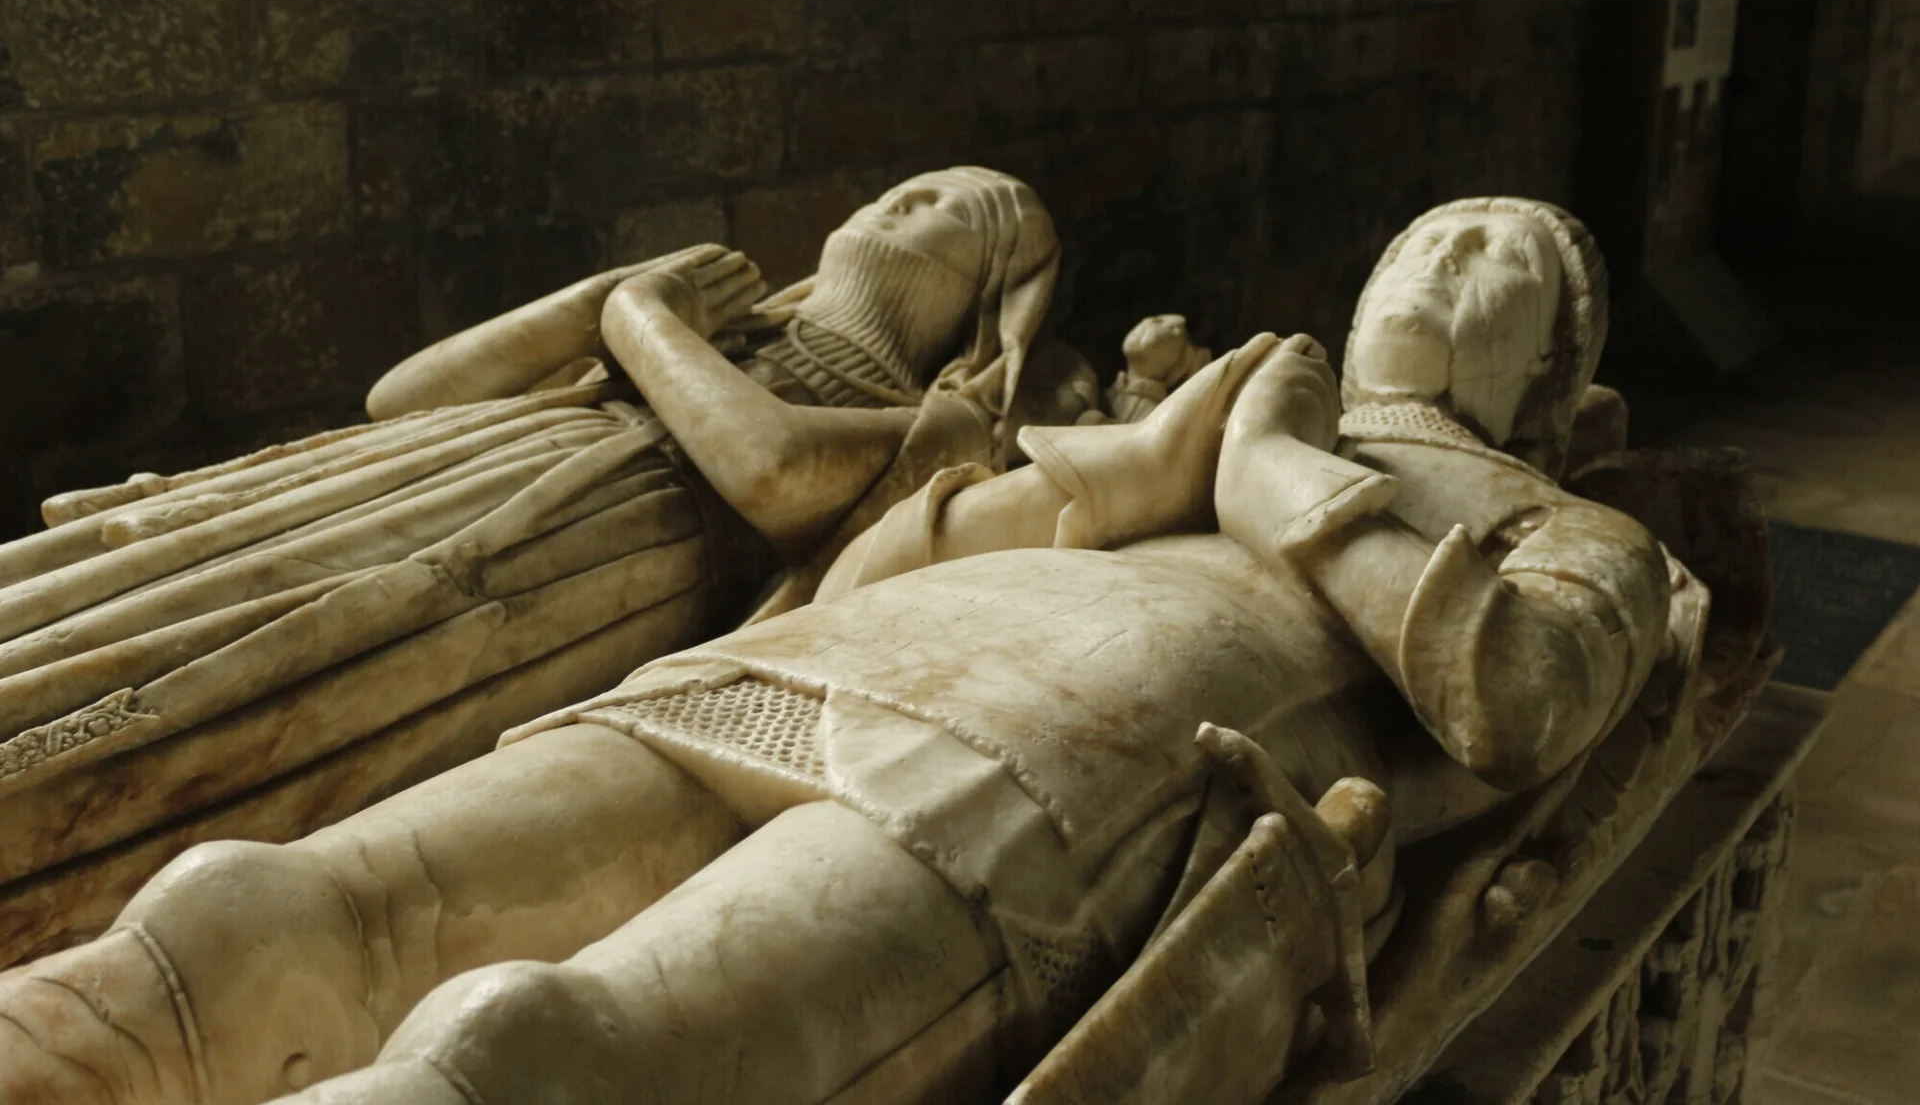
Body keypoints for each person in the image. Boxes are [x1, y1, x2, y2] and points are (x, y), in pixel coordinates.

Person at [0, 199, 1694, 1105]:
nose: (1459, 254)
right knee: (247, 914)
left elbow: (1524, 699)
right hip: (852, 653)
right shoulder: (1244, 388)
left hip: (1071, 768)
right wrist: (1140, 469)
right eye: (1439, 232)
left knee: (537, 1054)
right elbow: (920, 523)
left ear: (1560, 379)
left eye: (1511, 255)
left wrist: (1276, 476)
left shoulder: (1568, 524)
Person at [0, 168, 1064, 967]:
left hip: (572, 561)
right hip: (441, 472)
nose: (892, 204)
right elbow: (402, 397)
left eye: (940, 208)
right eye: (896, 187)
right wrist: (594, 296)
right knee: (170, 584)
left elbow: (769, 465)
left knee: (257, 685)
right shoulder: (713, 324)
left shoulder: (915, 423)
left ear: (981, 299)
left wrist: (637, 315)